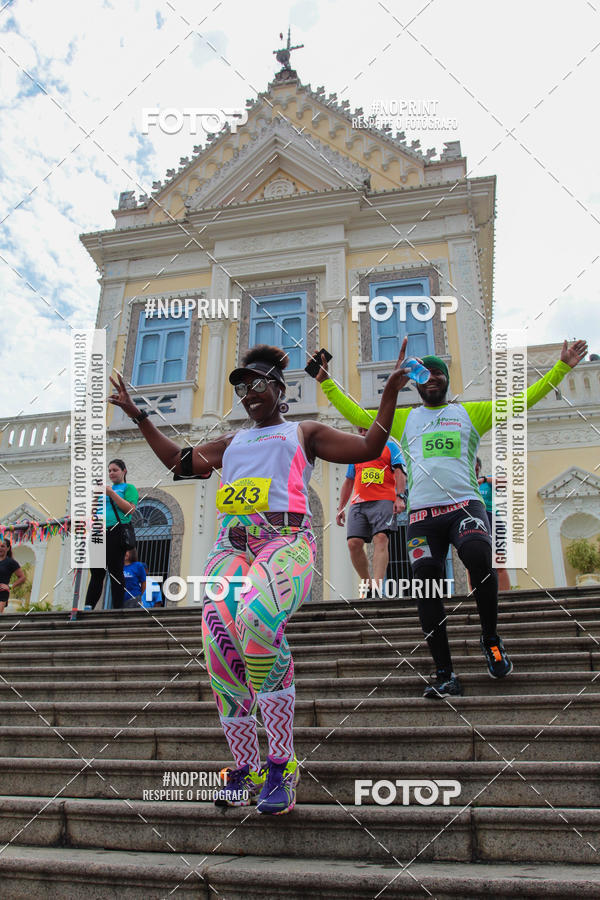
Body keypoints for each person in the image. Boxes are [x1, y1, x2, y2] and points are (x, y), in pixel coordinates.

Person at [108, 343, 408, 814]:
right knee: (219, 645)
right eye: (242, 387)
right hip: (232, 544)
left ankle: (282, 764)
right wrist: (139, 414)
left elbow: (370, 447)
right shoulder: (232, 444)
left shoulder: (302, 432)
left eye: (257, 384)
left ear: (279, 390)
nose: (249, 393)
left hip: (285, 542)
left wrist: (389, 394)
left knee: (258, 619)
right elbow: (179, 463)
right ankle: (245, 768)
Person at [316, 338, 588, 698]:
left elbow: (521, 402)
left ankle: (491, 640)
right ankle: (445, 673)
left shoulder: (470, 413)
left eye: (437, 374)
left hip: (464, 507)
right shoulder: (402, 418)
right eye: (423, 375)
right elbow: (358, 416)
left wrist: (562, 367)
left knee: (479, 556)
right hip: (422, 518)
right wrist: (325, 381)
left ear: (445, 380)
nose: (431, 379)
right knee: (427, 588)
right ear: (415, 383)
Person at [336, 428, 406, 594]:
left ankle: (377, 585)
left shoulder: (390, 446)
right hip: (359, 501)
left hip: (383, 499)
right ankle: (368, 585)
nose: (361, 433)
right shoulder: (357, 450)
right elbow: (348, 480)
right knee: (353, 543)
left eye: (364, 429)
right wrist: (341, 507)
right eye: (359, 430)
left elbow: (399, 472)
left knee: (381, 537)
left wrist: (400, 496)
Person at [85, 459, 139, 611]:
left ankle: (117, 606)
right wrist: (97, 495)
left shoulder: (128, 488)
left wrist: (111, 494)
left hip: (116, 531)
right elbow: (93, 513)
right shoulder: (104, 490)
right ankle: (89, 605)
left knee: (115, 569)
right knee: (96, 571)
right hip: (99, 531)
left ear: (124, 471)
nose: (111, 473)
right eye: (109, 471)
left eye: (115, 470)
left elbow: (130, 510)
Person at [475, 456, 510, 592]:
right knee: (473, 565)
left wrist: (483, 480)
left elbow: (504, 483)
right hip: (475, 522)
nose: (475, 471)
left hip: (493, 519)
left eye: (477, 468)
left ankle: (507, 598)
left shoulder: (486, 481)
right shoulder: (464, 483)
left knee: (499, 563)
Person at [0, 539, 26, 612]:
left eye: (2, 546)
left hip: (2, 593)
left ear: (8, 548)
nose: (0, 548)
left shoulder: (11, 562)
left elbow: (22, 578)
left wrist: (10, 586)